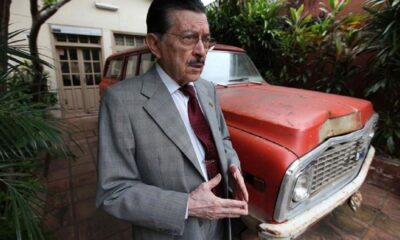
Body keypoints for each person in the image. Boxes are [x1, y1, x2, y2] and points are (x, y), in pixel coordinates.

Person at [95, 0, 249, 239]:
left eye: (206, 40)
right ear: (155, 44)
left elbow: (223, 138)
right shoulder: (120, 102)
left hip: (221, 226)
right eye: (188, 38)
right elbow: (114, 191)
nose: (201, 51)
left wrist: (232, 165)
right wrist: (188, 205)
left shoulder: (207, 89)